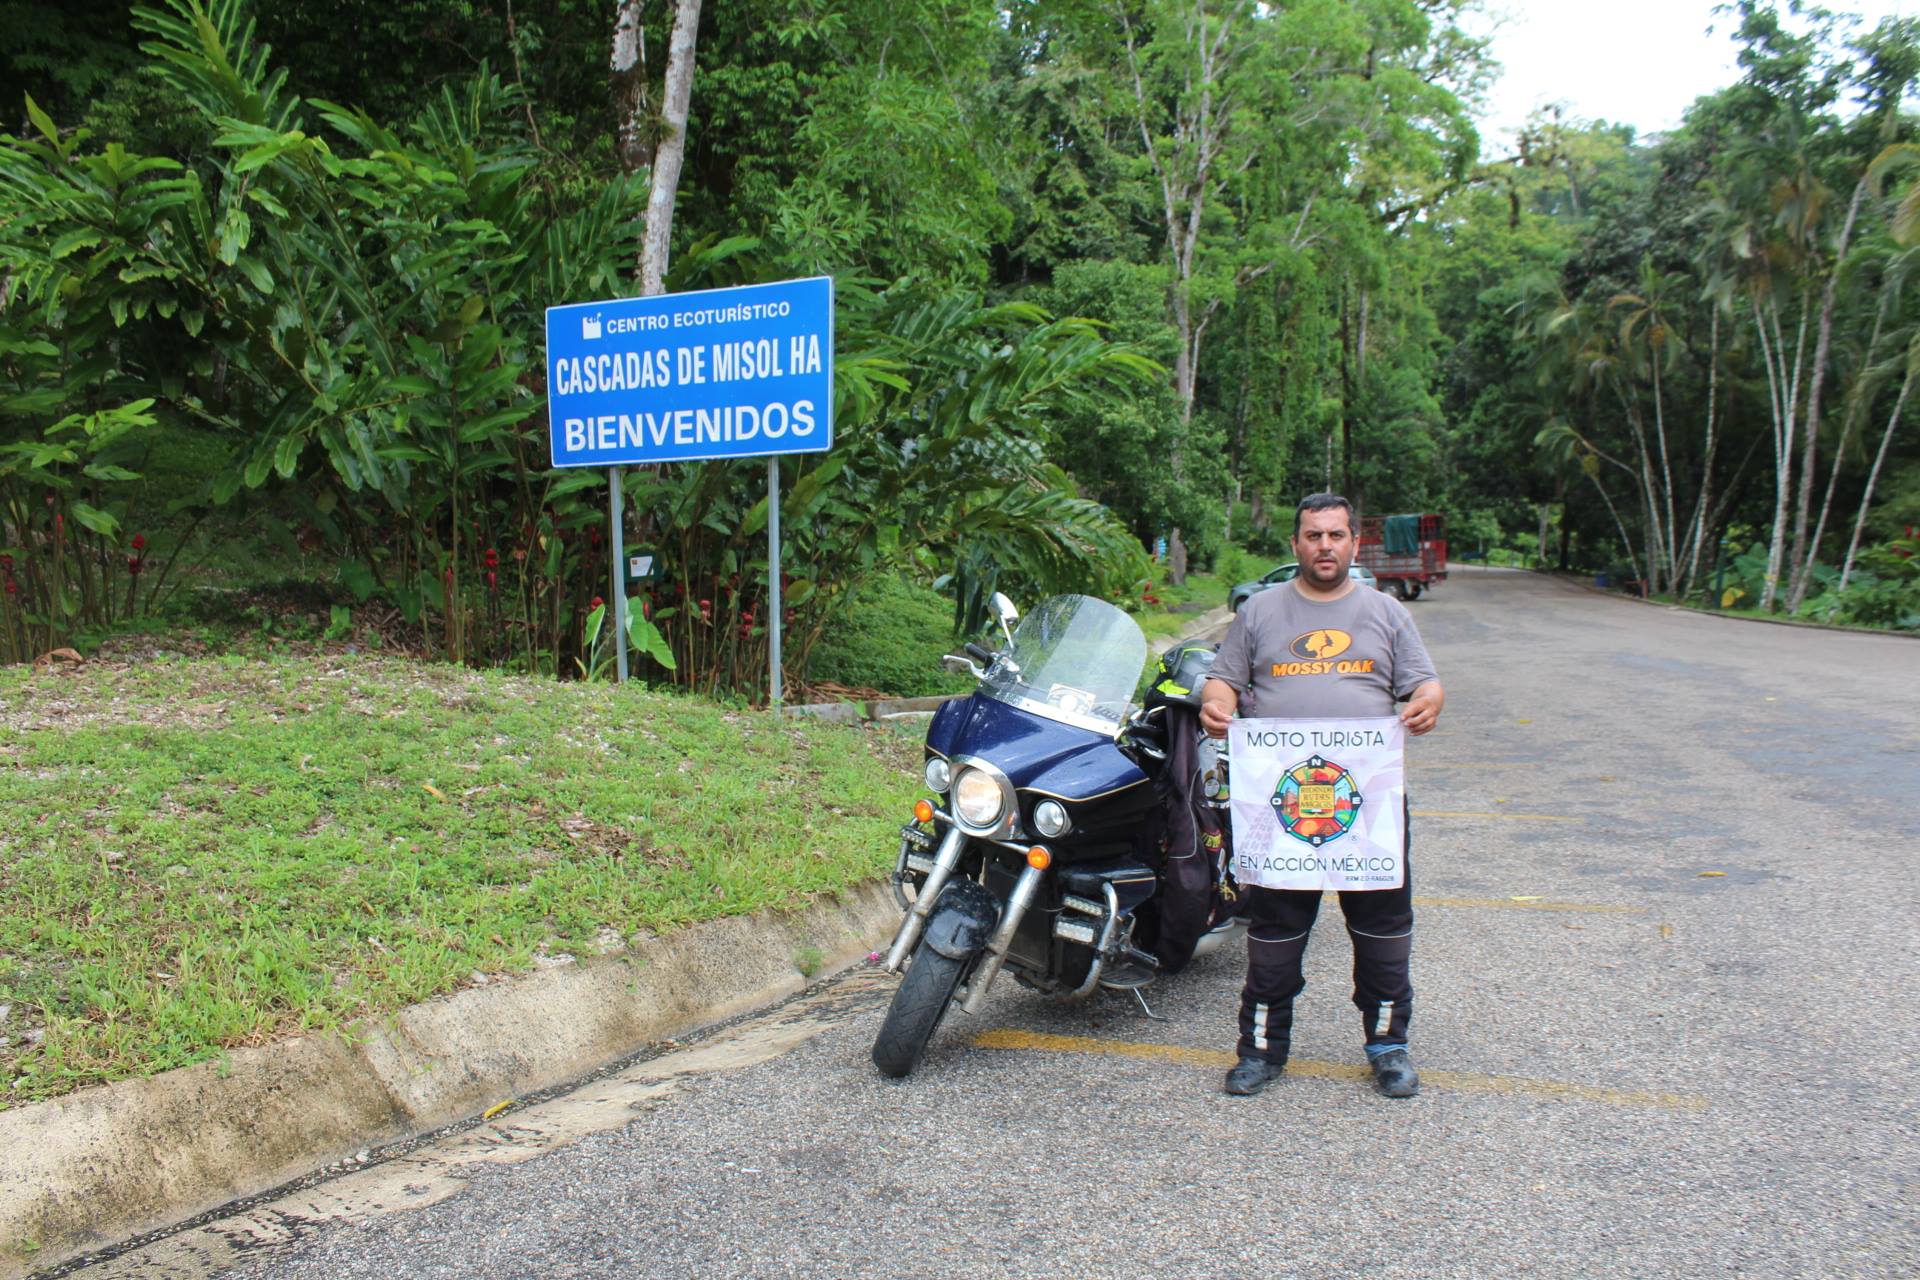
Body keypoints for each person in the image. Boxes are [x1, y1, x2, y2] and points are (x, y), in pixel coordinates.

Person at [1199, 493, 1444, 1100]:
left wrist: (1428, 704)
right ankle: (1260, 1050)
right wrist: (1218, 705)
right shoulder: (1259, 613)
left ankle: (1389, 1047)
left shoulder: (1387, 613)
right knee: (1276, 931)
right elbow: (1224, 679)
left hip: (1368, 802)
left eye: (1336, 535)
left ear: (1354, 543)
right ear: (1296, 544)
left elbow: (1424, 683)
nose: (1325, 546)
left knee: (1383, 929)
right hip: (1280, 804)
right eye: (1313, 535)